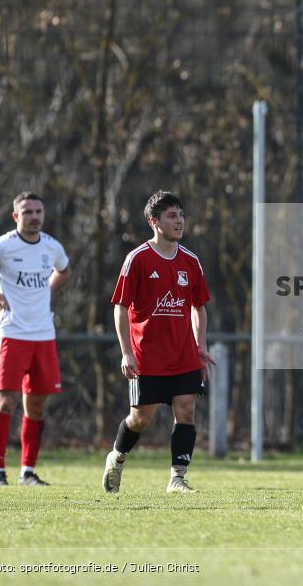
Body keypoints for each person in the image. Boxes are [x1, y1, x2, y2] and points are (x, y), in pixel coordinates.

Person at [102, 191, 214, 494]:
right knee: (141, 418)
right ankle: (117, 456)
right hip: (147, 355)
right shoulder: (137, 259)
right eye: (171, 216)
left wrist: (201, 346)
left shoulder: (190, 261)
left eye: (181, 215)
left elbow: (198, 306)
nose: (179, 221)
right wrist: (127, 352)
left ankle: (177, 478)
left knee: (186, 409)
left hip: (184, 353)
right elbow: (121, 307)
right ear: (154, 222)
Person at [0, 192, 70, 486]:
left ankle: (28, 471)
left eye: (39, 211)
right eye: (27, 211)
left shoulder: (52, 246)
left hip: (44, 335)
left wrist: (45, 292)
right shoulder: (3, 246)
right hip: (11, 333)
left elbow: (64, 271)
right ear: (16, 216)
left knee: (37, 405)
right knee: (7, 400)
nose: (34, 216)